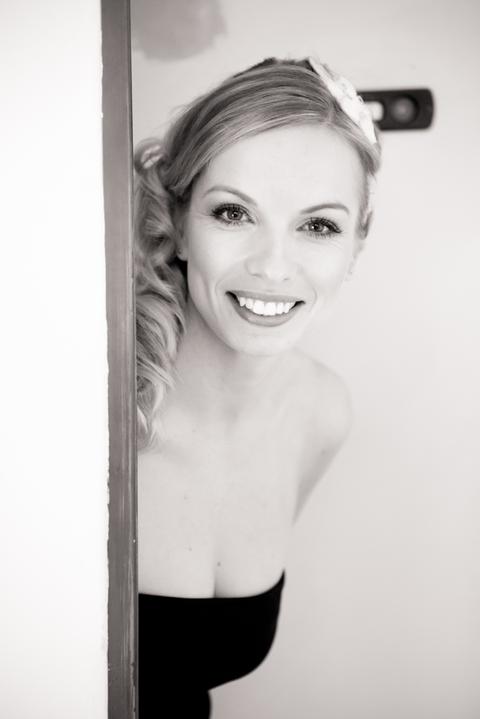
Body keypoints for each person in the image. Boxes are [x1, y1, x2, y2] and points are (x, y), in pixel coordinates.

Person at [135, 57, 381, 718]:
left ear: (356, 247)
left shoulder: (323, 412)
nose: (273, 266)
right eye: (233, 213)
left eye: (318, 225)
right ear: (179, 223)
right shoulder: (90, 410)